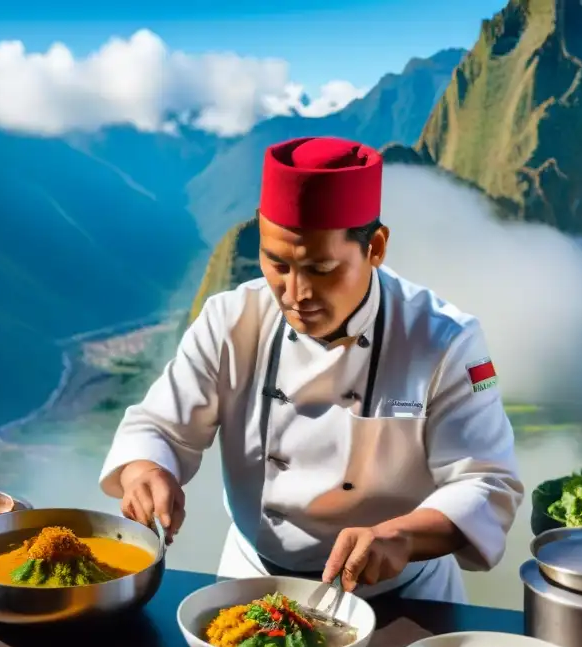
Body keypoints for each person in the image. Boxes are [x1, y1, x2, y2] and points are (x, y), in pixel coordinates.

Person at [98, 136, 523, 602]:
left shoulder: (446, 340)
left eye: (321, 269)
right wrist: (148, 470)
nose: (295, 294)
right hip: (252, 584)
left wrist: (403, 534)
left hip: (404, 600)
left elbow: (485, 479)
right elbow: (160, 426)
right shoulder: (230, 319)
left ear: (375, 247)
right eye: (277, 263)